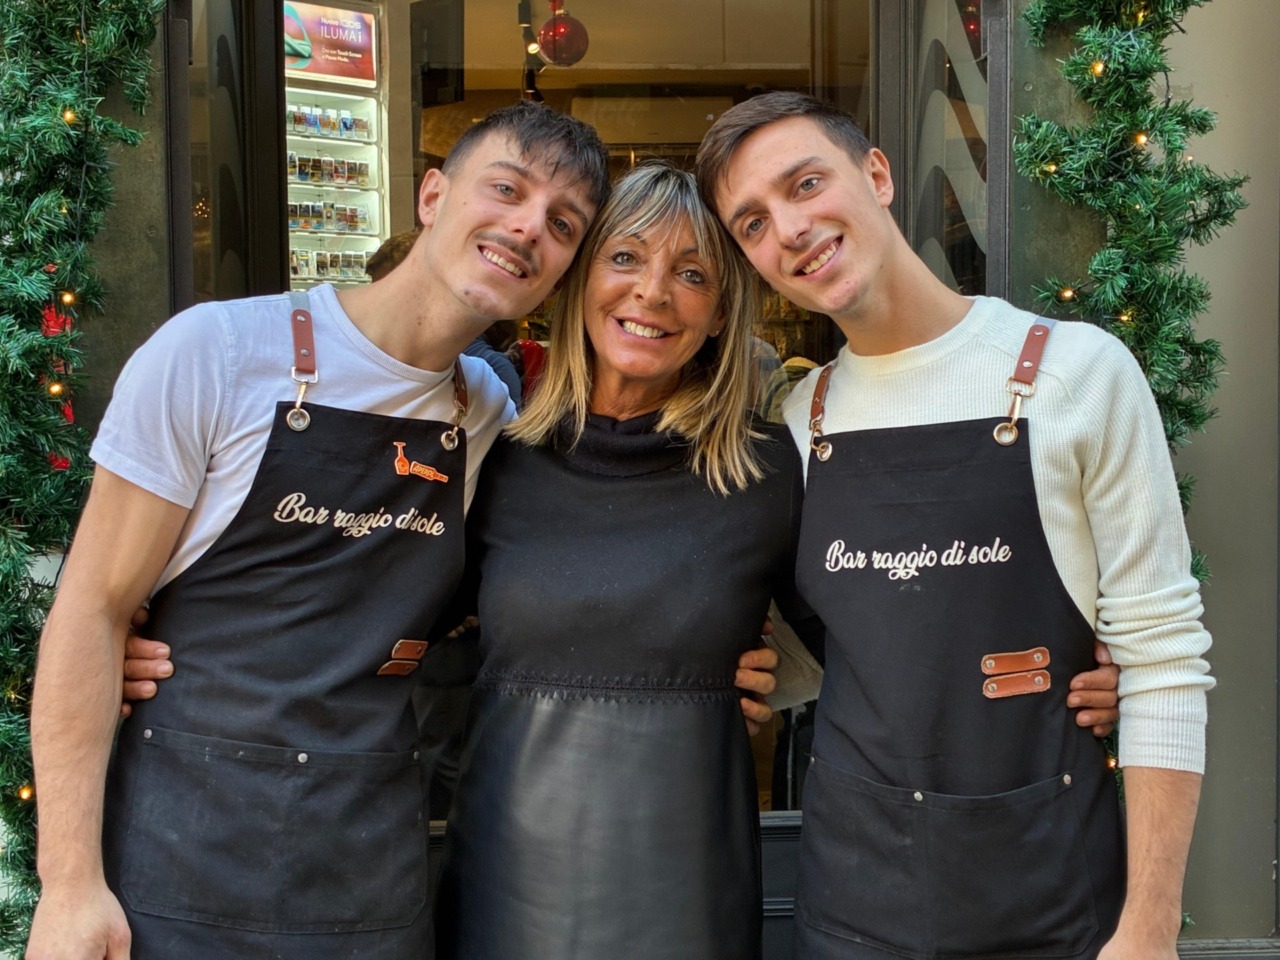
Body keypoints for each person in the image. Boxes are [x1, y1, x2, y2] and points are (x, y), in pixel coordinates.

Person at [24, 100, 615, 960]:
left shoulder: (489, 414)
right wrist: (70, 886)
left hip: (368, 879)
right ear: (432, 196)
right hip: (178, 864)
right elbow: (91, 609)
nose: (528, 227)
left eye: (562, 224)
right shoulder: (217, 354)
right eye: (506, 189)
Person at [695, 91, 1214, 960]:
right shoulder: (794, 420)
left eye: (806, 183)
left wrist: (1151, 929)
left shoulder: (1076, 374)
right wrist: (741, 677)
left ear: (877, 173)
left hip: (1054, 898)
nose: (787, 228)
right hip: (851, 901)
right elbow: (840, 650)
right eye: (752, 223)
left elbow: (1165, 661)